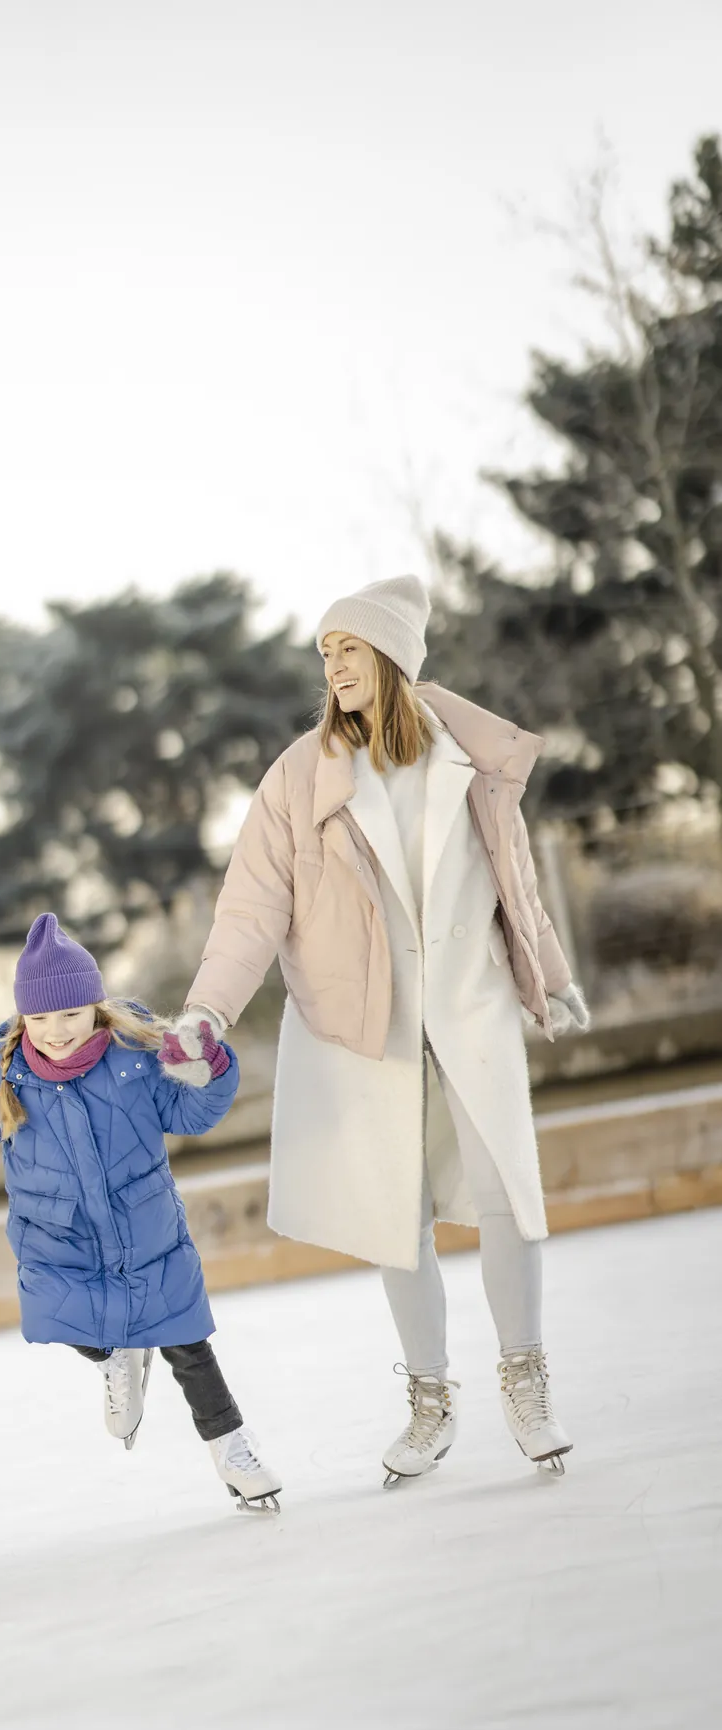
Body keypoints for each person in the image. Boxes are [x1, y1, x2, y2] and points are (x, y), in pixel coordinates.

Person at [166, 576, 590, 1485]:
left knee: (507, 1195)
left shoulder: (468, 755)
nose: (332, 665)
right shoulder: (299, 777)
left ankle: (526, 1380)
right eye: (324, 652)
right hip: (366, 1021)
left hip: (470, 1003)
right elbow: (250, 909)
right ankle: (430, 1399)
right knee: (396, 1214)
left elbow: (514, 878)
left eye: (348, 647)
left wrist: (550, 977)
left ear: (391, 655)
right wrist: (207, 1011)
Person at [0, 913, 280, 1509]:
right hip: (56, 1240)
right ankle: (114, 1355)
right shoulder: (7, 1071)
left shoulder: (135, 1057)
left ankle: (233, 1450)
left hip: (144, 1229)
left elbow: (192, 1114)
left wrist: (210, 1066)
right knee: (63, 1316)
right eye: (40, 1018)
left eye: (70, 1014)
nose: (56, 1030)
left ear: (95, 1007)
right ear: (24, 1017)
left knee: (187, 1345)